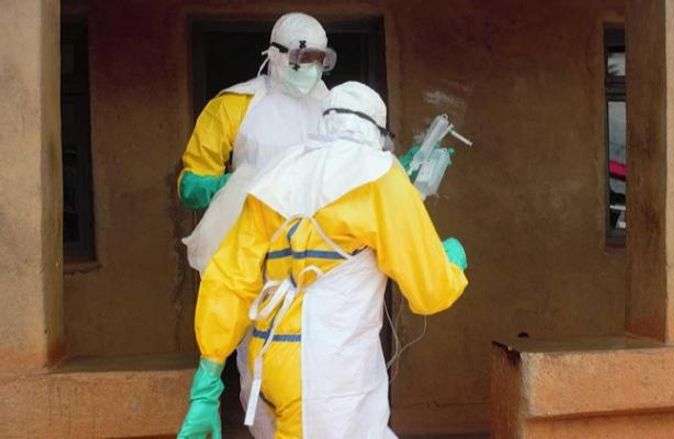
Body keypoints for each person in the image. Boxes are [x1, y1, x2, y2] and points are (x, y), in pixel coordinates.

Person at [177, 82, 469, 438]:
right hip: (327, 373)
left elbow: (229, 279)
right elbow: (431, 292)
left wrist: (207, 380)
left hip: (269, 362)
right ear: (377, 131)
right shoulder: (379, 175)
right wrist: (451, 261)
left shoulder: (279, 172)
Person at [176, 12, 336, 432]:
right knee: (261, 374)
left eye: (320, 60)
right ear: (276, 54)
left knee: (325, 374)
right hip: (254, 258)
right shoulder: (235, 105)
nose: (311, 70)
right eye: (302, 59)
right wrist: (232, 185)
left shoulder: (336, 108)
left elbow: (363, 171)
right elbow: (191, 183)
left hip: (323, 259)